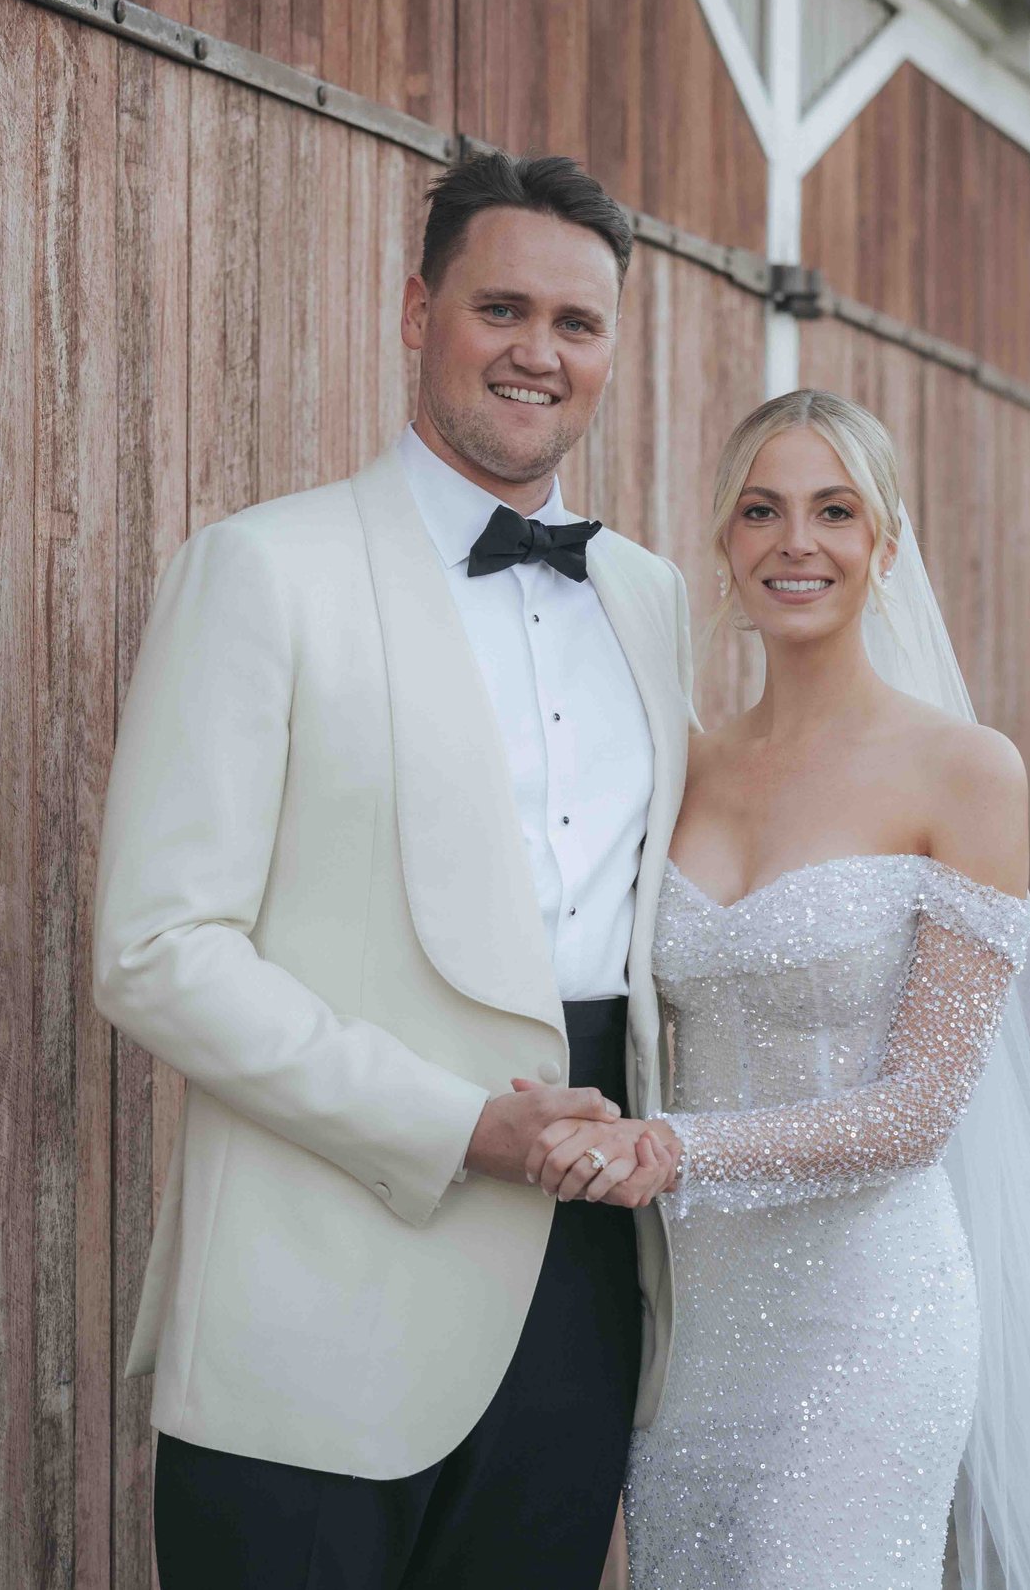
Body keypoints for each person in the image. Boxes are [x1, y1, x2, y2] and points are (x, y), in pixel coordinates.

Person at [91, 151, 692, 1590]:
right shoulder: (262, 570)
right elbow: (158, 946)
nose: (537, 351)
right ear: (416, 310)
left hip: (589, 1280)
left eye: (579, 322)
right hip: (324, 1271)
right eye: (501, 306)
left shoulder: (653, 598)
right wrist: (452, 1122)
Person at [530, 391, 1030, 1589]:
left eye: (834, 511)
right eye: (760, 510)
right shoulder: (681, 769)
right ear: (723, 541)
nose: (793, 542)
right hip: (693, 1328)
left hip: (865, 1315)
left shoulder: (965, 770)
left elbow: (918, 1114)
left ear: (886, 543)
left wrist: (674, 1147)